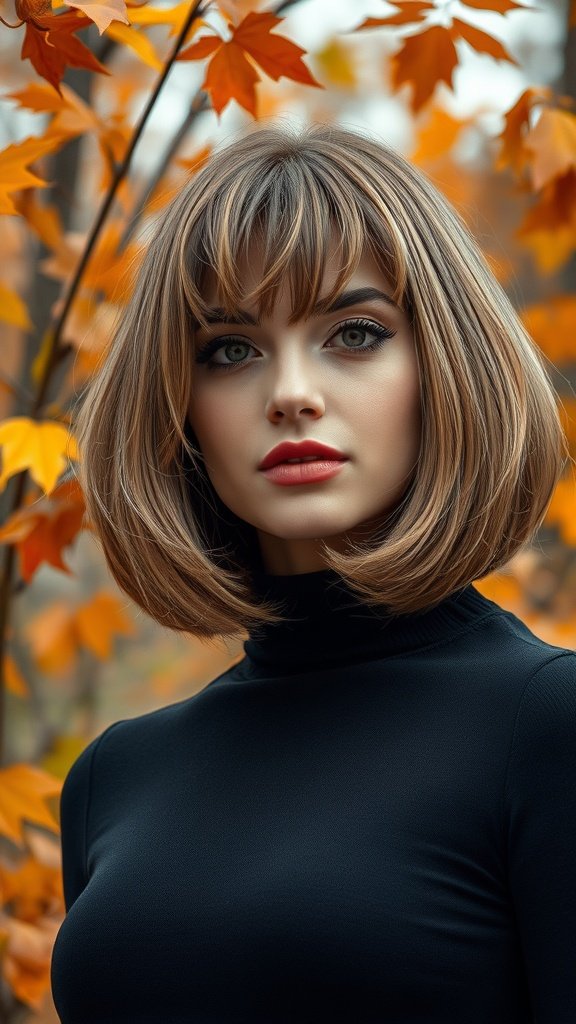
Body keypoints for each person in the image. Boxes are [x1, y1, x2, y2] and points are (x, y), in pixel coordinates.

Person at [50, 122, 576, 1023]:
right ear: (181, 407)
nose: (291, 391)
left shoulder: (548, 729)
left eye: (355, 332)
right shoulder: (115, 777)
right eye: (231, 349)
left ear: (444, 364)